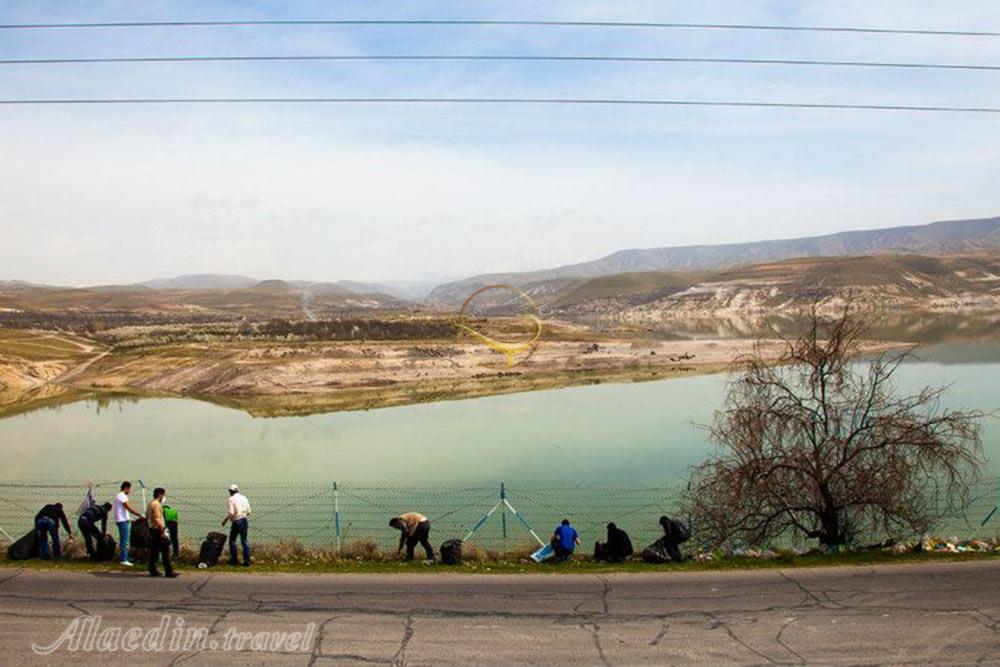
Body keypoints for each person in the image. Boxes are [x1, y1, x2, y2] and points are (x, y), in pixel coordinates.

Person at [146, 487, 177, 578]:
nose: (164, 496)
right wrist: (162, 531)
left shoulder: (150, 503)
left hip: (152, 529)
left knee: (154, 551)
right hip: (158, 530)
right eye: (163, 494)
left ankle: (153, 570)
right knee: (165, 551)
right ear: (160, 494)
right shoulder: (157, 504)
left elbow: (147, 516)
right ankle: (169, 571)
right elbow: (158, 518)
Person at [112, 481, 143, 567]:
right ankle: (124, 559)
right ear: (126, 488)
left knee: (123, 540)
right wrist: (139, 514)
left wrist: (130, 518)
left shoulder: (118, 496)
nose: (130, 491)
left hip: (121, 520)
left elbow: (122, 511)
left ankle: (124, 557)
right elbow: (128, 508)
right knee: (125, 541)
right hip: (123, 521)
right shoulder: (122, 496)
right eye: (129, 489)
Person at [222, 484, 251, 567]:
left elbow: (231, 512)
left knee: (232, 541)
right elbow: (248, 512)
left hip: (237, 521)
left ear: (231, 492)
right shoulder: (244, 498)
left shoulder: (231, 499)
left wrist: (225, 520)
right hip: (244, 520)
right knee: (244, 541)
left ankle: (234, 560)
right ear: (237, 490)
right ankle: (247, 561)